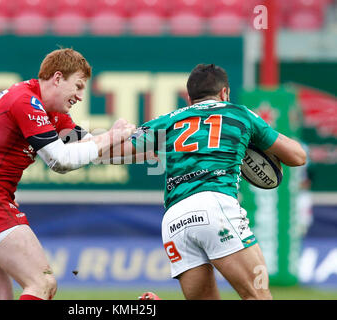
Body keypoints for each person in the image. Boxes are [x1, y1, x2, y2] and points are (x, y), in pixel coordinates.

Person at [0, 48, 135, 300]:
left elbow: (99, 149)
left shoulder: (51, 113)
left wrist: (161, 149)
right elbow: (60, 160)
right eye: (78, 86)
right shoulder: (26, 100)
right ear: (57, 78)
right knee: (42, 283)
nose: (80, 96)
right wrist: (112, 135)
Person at [112, 64, 306, 300]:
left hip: (175, 219)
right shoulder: (239, 114)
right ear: (225, 93)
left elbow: (116, 153)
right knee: (259, 296)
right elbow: (297, 157)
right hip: (215, 205)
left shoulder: (167, 120)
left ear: (189, 98)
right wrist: (250, 143)